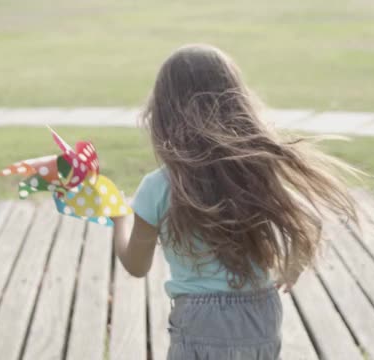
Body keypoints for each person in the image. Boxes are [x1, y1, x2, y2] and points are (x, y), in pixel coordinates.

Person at [111, 44, 361, 359]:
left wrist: (120, 219)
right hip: (261, 310)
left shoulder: (158, 186)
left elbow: (136, 265)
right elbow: (310, 220)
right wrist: (292, 267)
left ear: (162, 111)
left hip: (201, 321)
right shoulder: (256, 171)